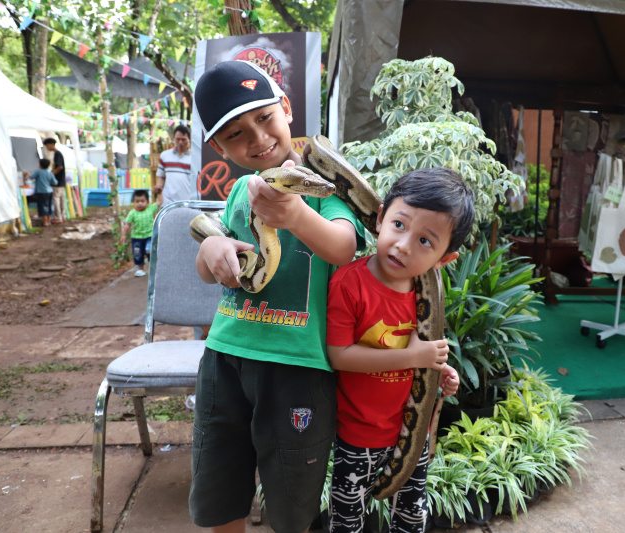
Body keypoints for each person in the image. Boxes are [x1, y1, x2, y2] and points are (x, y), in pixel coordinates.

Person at [189, 59, 366, 533]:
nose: (258, 139)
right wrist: (213, 246)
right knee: (219, 481)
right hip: (225, 357)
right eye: (237, 134)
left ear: (286, 109)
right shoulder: (237, 194)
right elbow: (211, 273)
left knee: (293, 495)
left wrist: (295, 215)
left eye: (265, 119)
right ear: (218, 147)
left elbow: (344, 248)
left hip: (298, 365)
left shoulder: (323, 185)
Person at [325, 167, 474, 533]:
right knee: (347, 519)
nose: (404, 245)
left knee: (412, 516)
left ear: (444, 259)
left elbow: (427, 354)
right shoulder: (348, 283)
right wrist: (414, 356)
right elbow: (339, 355)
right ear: (379, 219)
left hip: (410, 435)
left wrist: (441, 370)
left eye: (426, 241)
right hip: (356, 434)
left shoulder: (427, 299)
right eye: (399, 225)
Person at [119, 189, 161, 277]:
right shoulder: (132, 213)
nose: (140, 203)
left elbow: (160, 201)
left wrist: (159, 193)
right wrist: (123, 235)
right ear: (134, 202)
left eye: (142, 201)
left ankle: (153, 268)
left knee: (150, 250)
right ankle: (140, 269)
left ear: (147, 202)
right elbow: (127, 225)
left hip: (149, 236)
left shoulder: (151, 209)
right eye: (137, 201)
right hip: (136, 238)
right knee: (137, 254)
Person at [154, 124, 193, 206]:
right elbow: (161, 176)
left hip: (188, 202)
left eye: (183, 139)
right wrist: (159, 186)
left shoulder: (194, 158)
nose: (180, 142)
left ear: (189, 139)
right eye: (178, 139)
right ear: (173, 138)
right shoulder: (165, 156)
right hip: (168, 203)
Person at [24, 158, 58, 227]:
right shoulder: (49, 172)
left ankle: (45, 222)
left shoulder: (39, 171)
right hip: (49, 191)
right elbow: (55, 182)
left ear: (40, 165)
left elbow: (31, 177)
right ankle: (48, 221)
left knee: (43, 206)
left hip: (41, 192)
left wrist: (27, 174)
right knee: (49, 206)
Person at [42, 138, 67, 224]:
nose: (46, 148)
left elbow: (59, 167)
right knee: (61, 199)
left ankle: (58, 217)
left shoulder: (57, 154)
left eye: (47, 145)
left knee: (56, 199)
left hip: (57, 181)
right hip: (61, 181)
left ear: (51, 144)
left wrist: (52, 175)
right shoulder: (58, 154)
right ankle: (63, 216)